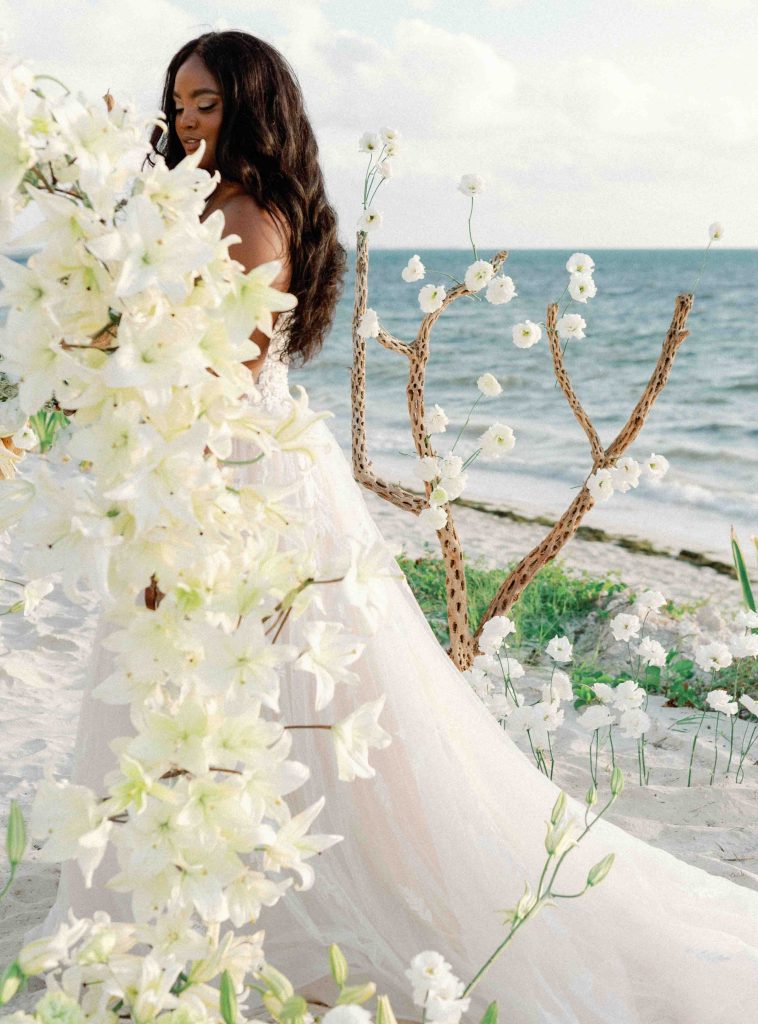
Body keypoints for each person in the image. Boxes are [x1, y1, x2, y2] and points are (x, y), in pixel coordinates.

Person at [25, 31, 758, 1023]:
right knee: (196, 698)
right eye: (180, 103)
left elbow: (222, 378)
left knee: (278, 710)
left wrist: (121, 360)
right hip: (185, 469)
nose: (190, 121)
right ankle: (179, 917)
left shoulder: (249, 219)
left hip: (230, 480)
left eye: (209, 104)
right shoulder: (193, 203)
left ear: (254, 110)